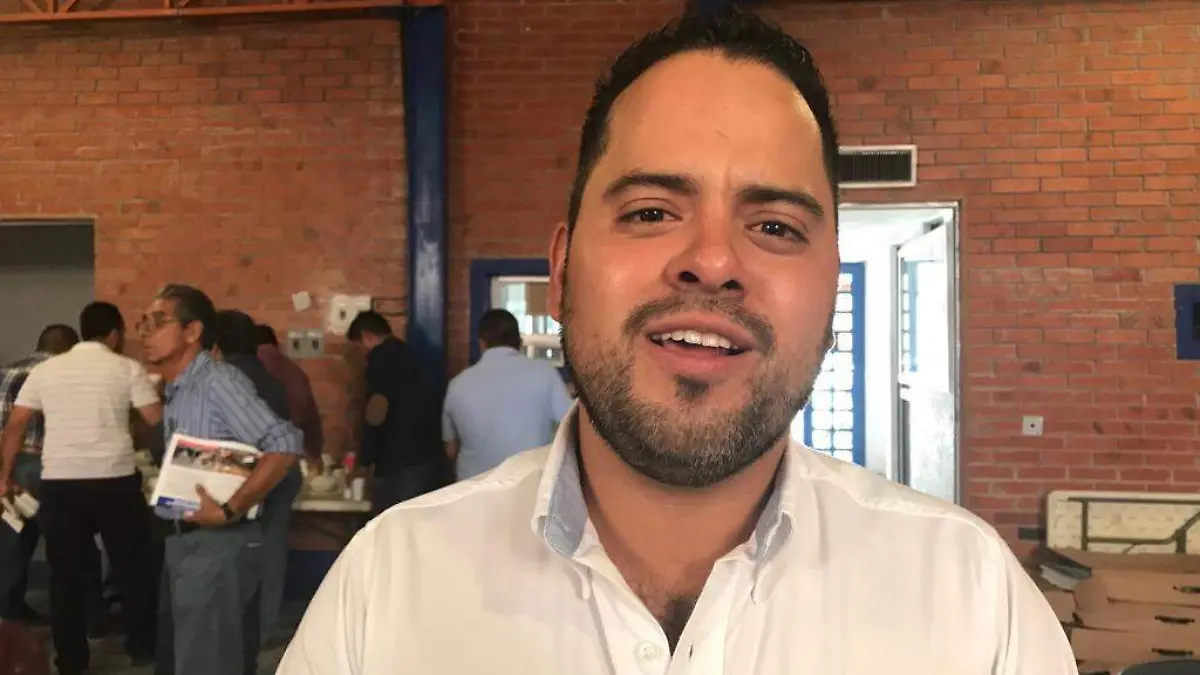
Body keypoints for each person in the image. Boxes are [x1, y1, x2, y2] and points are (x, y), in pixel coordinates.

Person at [278, 8, 1076, 675]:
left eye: (775, 226)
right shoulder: (385, 592)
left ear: (831, 287)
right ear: (562, 270)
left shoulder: (973, 604)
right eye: (652, 212)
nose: (714, 261)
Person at [137, 285, 302, 675]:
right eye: (142, 322)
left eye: (159, 322)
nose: (145, 332)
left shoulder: (216, 382)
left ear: (193, 331)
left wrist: (230, 509)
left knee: (206, 663)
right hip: (186, 541)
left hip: (217, 545)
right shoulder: (178, 388)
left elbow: (285, 443)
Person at [0, 303, 160, 675]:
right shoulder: (127, 368)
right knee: (132, 566)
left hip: (61, 484)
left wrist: (4, 476)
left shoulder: (46, 371)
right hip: (115, 481)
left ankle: (71, 660)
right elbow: (157, 421)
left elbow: (16, 424)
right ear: (115, 334)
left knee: (65, 575)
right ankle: (141, 646)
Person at [213, 310, 303, 667]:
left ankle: (232, 630)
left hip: (240, 476)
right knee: (272, 547)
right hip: (281, 473)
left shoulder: (220, 379)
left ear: (215, 344)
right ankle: (265, 627)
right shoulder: (270, 379)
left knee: (230, 549)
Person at [0, 324, 77, 624]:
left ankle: (9, 611)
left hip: (9, 463)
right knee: (65, 542)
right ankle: (72, 615)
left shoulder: (6, 372)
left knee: (12, 541)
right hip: (46, 464)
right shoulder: (63, 375)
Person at [442, 309, 574, 480]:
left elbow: (451, 449)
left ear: (481, 343)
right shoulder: (544, 373)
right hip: (530, 485)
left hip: (472, 488)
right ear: (519, 341)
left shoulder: (457, 385)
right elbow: (571, 424)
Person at [345, 310, 443, 515]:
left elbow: (377, 412)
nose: (361, 356)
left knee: (391, 525)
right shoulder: (411, 355)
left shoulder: (380, 356)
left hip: (398, 463)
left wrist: (365, 460)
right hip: (427, 459)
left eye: (359, 348)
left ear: (367, 336)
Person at [255, 324, 324, 475]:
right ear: (276, 344)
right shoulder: (296, 372)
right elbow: (312, 420)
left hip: (257, 456)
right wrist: (315, 456)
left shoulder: (246, 369)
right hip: (293, 453)